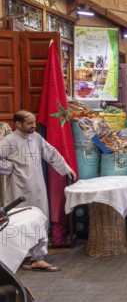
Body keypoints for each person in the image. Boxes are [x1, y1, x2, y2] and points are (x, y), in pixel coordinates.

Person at [0, 110, 76, 271]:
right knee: (20, 223)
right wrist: (8, 167)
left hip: (38, 187)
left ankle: (38, 257)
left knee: (40, 219)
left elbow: (50, 153)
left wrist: (65, 168)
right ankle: (24, 258)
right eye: (29, 123)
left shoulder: (36, 137)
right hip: (17, 190)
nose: (34, 126)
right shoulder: (8, 141)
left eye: (34, 122)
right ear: (18, 124)